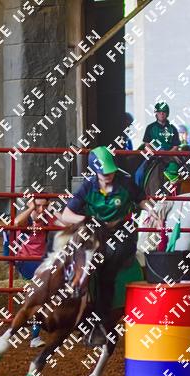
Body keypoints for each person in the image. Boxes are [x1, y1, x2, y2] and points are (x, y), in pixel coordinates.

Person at [61, 146, 154, 345]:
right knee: (79, 260)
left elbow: (141, 200)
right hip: (97, 232)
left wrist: (152, 209)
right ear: (95, 171)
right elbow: (66, 214)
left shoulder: (125, 182)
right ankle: (78, 313)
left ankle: (101, 322)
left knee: (108, 263)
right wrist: (86, 220)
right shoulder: (88, 187)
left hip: (123, 232)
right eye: (104, 172)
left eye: (111, 171)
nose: (109, 175)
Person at [11, 196, 59, 347]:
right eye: (38, 206)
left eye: (44, 206)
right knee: (41, 295)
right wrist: (31, 208)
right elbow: (17, 222)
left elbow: (65, 223)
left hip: (42, 261)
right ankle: (34, 336)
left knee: (46, 295)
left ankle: (33, 332)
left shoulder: (47, 218)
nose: (41, 209)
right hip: (26, 260)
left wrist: (53, 211)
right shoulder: (27, 218)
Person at [135, 102, 180, 187]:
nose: (161, 114)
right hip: (154, 155)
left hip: (170, 155)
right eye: (159, 112)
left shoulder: (173, 128)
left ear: (167, 113)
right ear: (156, 114)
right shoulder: (150, 127)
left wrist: (167, 154)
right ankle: (140, 193)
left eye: (164, 112)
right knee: (139, 174)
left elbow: (176, 146)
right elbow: (147, 145)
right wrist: (155, 153)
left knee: (185, 171)